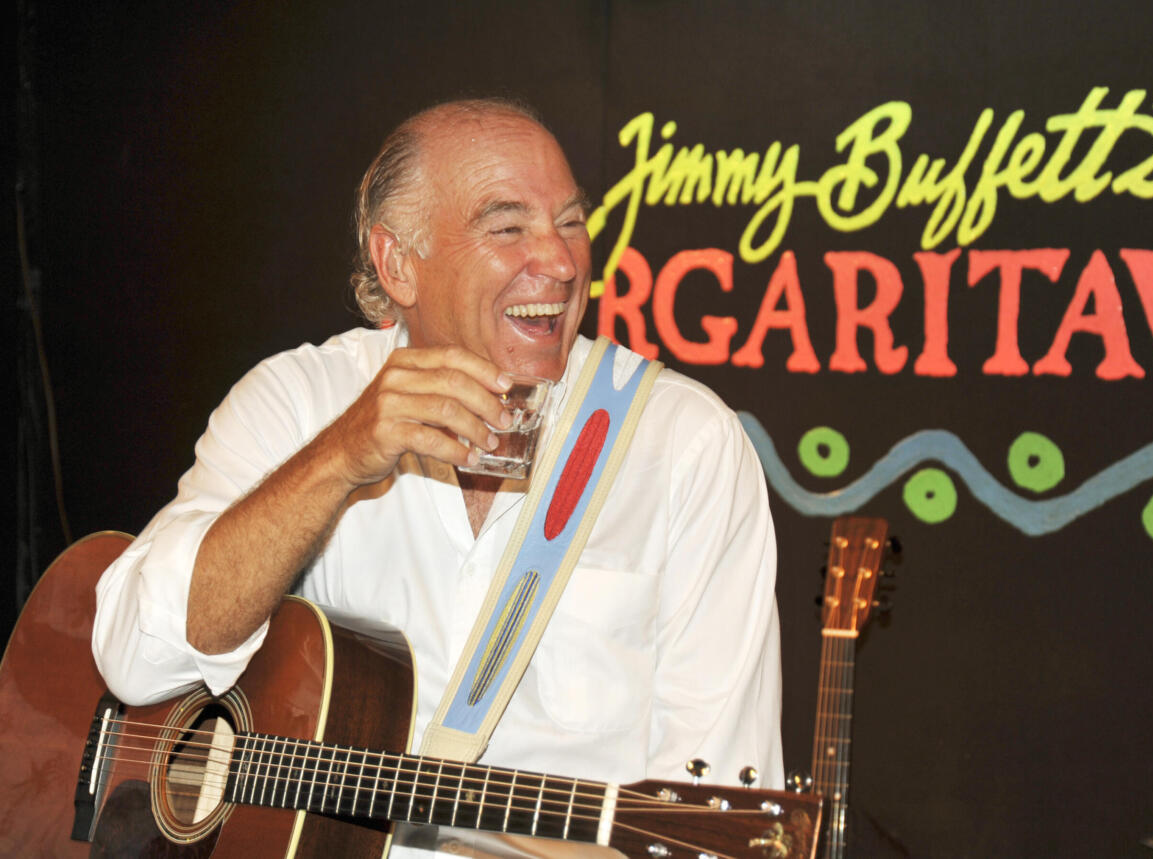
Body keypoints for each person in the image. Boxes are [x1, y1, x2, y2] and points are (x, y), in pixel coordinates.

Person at [92, 98, 782, 856]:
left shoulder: (685, 443)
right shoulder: (299, 401)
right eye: (508, 226)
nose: (559, 261)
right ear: (397, 263)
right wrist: (341, 457)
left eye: (572, 222)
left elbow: (722, 813)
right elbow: (137, 658)